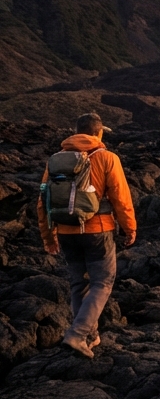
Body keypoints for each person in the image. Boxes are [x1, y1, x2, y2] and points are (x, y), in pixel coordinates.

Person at [37, 113, 136, 358]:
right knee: (102, 283)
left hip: (65, 231)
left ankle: (90, 337)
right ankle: (77, 334)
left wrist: (49, 237)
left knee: (79, 284)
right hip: (98, 230)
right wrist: (130, 228)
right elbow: (121, 198)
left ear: (76, 131)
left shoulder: (56, 160)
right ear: (99, 133)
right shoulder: (107, 157)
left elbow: (43, 201)